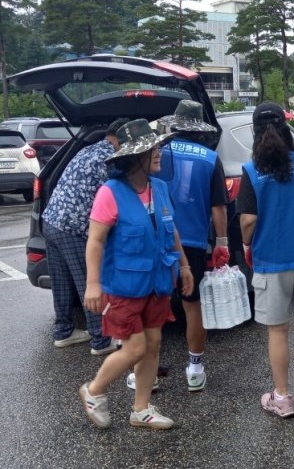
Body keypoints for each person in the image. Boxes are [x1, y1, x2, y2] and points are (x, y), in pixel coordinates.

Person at [80, 118, 193, 430]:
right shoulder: (110, 192)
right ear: (133, 157)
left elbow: (171, 231)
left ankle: (141, 409)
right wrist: (92, 284)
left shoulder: (160, 188)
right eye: (151, 149)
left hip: (157, 283)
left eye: (157, 147)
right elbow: (95, 241)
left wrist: (184, 266)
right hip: (124, 286)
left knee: (153, 343)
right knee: (135, 347)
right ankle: (93, 391)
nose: (158, 153)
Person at [238, 102, 294, 418]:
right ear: (285, 128)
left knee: (278, 331)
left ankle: (282, 397)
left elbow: (248, 220)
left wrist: (247, 243)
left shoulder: (252, 170)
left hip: (271, 259)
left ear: (255, 132)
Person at [151, 100, 229, 392]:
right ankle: (195, 370)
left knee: (154, 305)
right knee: (193, 305)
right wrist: (221, 242)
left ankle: (146, 370)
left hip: (159, 239)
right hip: (194, 243)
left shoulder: (157, 153)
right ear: (199, 129)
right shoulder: (210, 158)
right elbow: (218, 207)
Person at [42, 118, 126, 356]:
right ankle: (101, 340)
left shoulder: (87, 149)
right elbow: (116, 196)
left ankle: (63, 332)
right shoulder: (111, 159)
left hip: (51, 220)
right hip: (74, 228)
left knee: (61, 281)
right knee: (88, 281)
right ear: (120, 139)